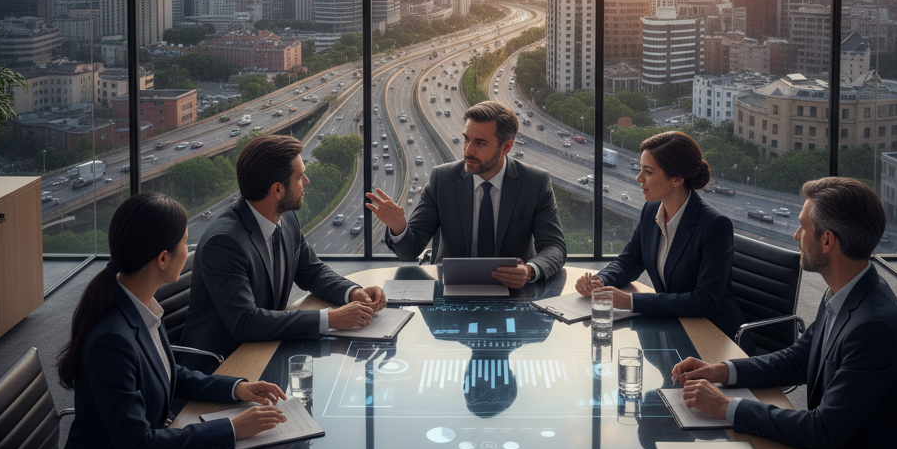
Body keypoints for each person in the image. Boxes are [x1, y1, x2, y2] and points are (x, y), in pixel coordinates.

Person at [673, 176, 897, 449]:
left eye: (804, 227)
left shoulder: (874, 326)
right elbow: (798, 358)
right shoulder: (848, 291)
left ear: (828, 241)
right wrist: (722, 371)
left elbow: (823, 431)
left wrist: (726, 407)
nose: (797, 235)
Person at [49, 193, 288, 449]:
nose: (188, 248)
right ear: (163, 258)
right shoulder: (112, 338)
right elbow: (138, 448)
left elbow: (168, 371)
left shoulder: (138, 305)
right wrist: (232, 430)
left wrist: (237, 388)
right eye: (184, 242)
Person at [183, 135, 386, 357]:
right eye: (300, 176)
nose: (307, 181)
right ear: (277, 190)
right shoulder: (224, 242)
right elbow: (246, 322)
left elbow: (311, 271)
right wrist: (331, 318)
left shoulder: (286, 218)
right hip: (222, 364)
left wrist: (353, 292)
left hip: (265, 348)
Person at [365, 100, 566, 287]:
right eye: (466, 139)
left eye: (480, 143)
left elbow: (554, 246)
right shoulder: (442, 180)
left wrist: (530, 270)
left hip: (513, 290)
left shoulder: (535, 183)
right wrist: (399, 227)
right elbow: (410, 251)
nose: (468, 151)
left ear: (506, 147)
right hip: (452, 288)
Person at [575, 131, 742, 338]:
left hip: (713, 334)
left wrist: (630, 302)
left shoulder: (715, 226)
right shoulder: (651, 210)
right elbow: (629, 262)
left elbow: (705, 301)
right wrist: (600, 281)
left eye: (648, 172)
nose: (638, 178)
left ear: (677, 179)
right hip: (672, 325)